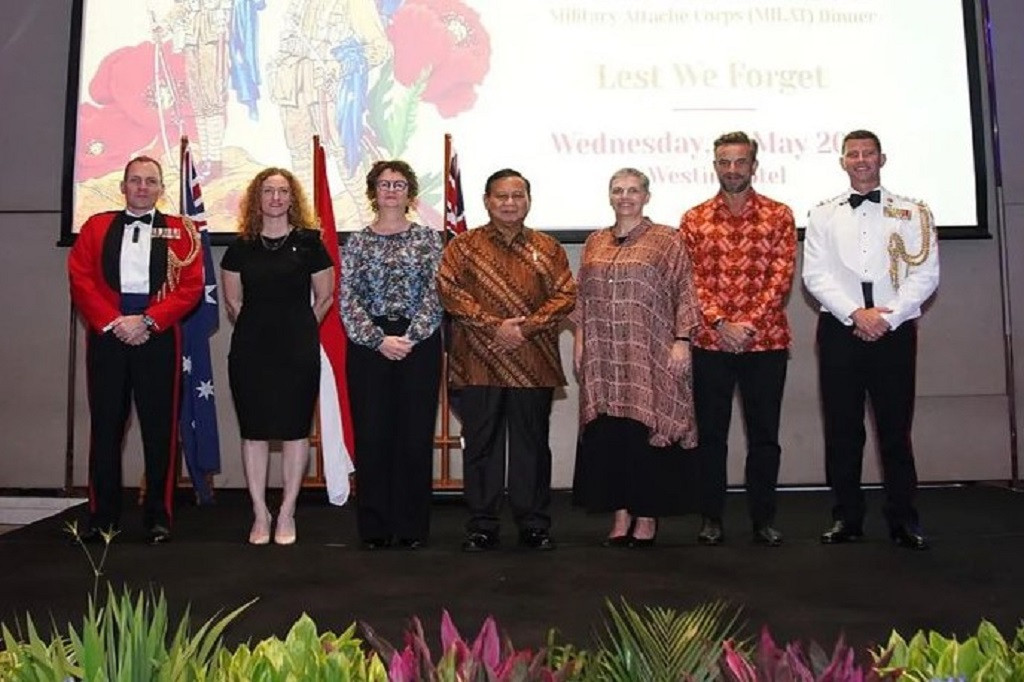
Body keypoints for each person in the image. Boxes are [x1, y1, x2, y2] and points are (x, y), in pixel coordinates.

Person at [803, 129, 939, 551]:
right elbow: (815, 275)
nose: (861, 160)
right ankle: (847, 518)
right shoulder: (823, 214)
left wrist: (890, 317)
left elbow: (926, 274)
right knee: (843, 430)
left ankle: (904, 520)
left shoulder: (914, 212)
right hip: (840, 330)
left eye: (869, 153)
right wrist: (855, 314)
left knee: (895, 431)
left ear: (882, 159)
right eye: (853, 154)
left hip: (894, 333)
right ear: (842, 162)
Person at [437, 168, 577, 552]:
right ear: (487, 201)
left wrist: (524, 328)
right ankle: (482, 525)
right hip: (479, 360)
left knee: (532, 446)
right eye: (502, 196)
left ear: (528, 200)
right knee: (482, 446)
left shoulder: (548, 247)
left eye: (518, 196)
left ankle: (534, 524)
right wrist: (495, 327)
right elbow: (449, 292)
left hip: (533, 361)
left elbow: (566, 295)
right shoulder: (463, 247)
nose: (510, 203)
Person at [68, 155, 204, 545]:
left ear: (162, 189)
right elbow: (80, 277)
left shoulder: (182, 231)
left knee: (160, 430)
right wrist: (114, 322)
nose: (142, 187)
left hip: (157, 337)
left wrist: (147, 321)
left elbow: (191, 286)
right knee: (106, 428)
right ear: (123, 186)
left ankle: (158, 516)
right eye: (135, 180)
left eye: (151, 181)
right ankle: (102, 517)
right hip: (108, 335)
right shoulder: (96, 227)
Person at [573, 168, 702, 548]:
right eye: (618, 190)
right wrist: (580, 341)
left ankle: (646, 518)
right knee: (612, 435)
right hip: (603, 356)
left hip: (650, 352)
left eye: (633, 190)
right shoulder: (595, 241)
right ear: (609, 196)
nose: (625, 197)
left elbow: (685, 291)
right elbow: (583, 298)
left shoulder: (667, 240)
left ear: (647, 196)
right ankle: (620, 515)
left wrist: (682, 339)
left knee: (646, 433)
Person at [680, 131, 797, 547]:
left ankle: (763, 518)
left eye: (740, 162)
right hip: (711, 344)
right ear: (715, 166)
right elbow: (690, 281)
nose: (732, 169)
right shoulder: (693, 219)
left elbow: (780, 278)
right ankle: (711, 517)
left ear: (753, 165)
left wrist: (746, 324)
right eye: (724, 162)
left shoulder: (779, 215)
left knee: (764, 436)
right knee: (711, 435)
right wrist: (720, 323)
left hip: (766, 343)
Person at [221, 168, 335, 545]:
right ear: (258, 198)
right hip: (251, 350)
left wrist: (299, 326)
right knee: (253, 432)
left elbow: (325, 297)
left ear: (292, 198)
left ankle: (287, 511)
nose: (275, 198)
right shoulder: (240, 247)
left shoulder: (310, 243)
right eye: (268, 191)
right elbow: (234, 302)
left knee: (294, 431)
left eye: (283, 191)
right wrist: (261, 328)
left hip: (297, 350)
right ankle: (259, 512)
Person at [340, 160, 443, 550]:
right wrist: (378, 339)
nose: (391, 190)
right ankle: (376, 527)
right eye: (384, 184)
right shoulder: (357, 242)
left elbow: (438, 294)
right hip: (370, 348)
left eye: (399, 184)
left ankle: (412, 527)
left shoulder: (429, 239)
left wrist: (410, 336)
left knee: (414, 437)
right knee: (373, 435)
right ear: (373, 191)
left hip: (419, 344)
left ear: (410, 193)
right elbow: (347, 298)